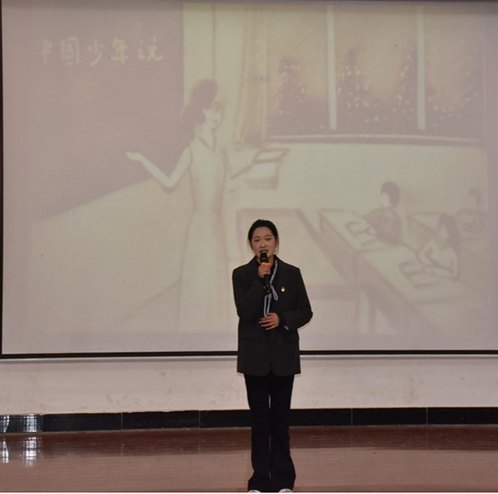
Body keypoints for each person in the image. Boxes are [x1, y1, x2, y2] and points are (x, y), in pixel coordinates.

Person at [126, 80, 229, 332]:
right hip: (201, 226)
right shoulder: (192, 150)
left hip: (216, 225)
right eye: (212, 109)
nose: (217, 115)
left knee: (217, 281)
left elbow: (227, 182)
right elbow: (170, 183)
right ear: (201, 111)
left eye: (219, 109)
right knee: (200, 282)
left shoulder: (220, 149)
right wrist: (142, 160)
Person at [232, 219, 313, 493]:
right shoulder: (242, 274)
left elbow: (305, 311)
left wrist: (283, 319)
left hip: (283, 357)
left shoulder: (292, 273)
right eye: (256, 240)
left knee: (280, 421)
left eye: (267, 238)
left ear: (276, 242)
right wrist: (259, 280)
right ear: (250, 245)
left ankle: (283, 481)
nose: (262, 244)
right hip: (254, 358)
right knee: (259, 422)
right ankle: (259, 482)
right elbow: (245, 311)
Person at [417, 213, 461, 280]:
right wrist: (429, 264)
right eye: (441, 229)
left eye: (446, 231)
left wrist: (436, 271)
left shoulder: (451, 252)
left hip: (443, 280)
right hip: (430, 275)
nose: (442, 233)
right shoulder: (433, 243)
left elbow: (454, 274)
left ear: (450, 233)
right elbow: (421, 254)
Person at [363, 180, 403, 245]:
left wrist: (374, 233)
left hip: (383, 246)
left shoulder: (392, 217)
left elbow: (389, 239)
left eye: (385, 197)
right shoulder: (377, 211)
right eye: (382, 195)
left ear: (392, 200)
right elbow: (364, 218)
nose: (381, 198)